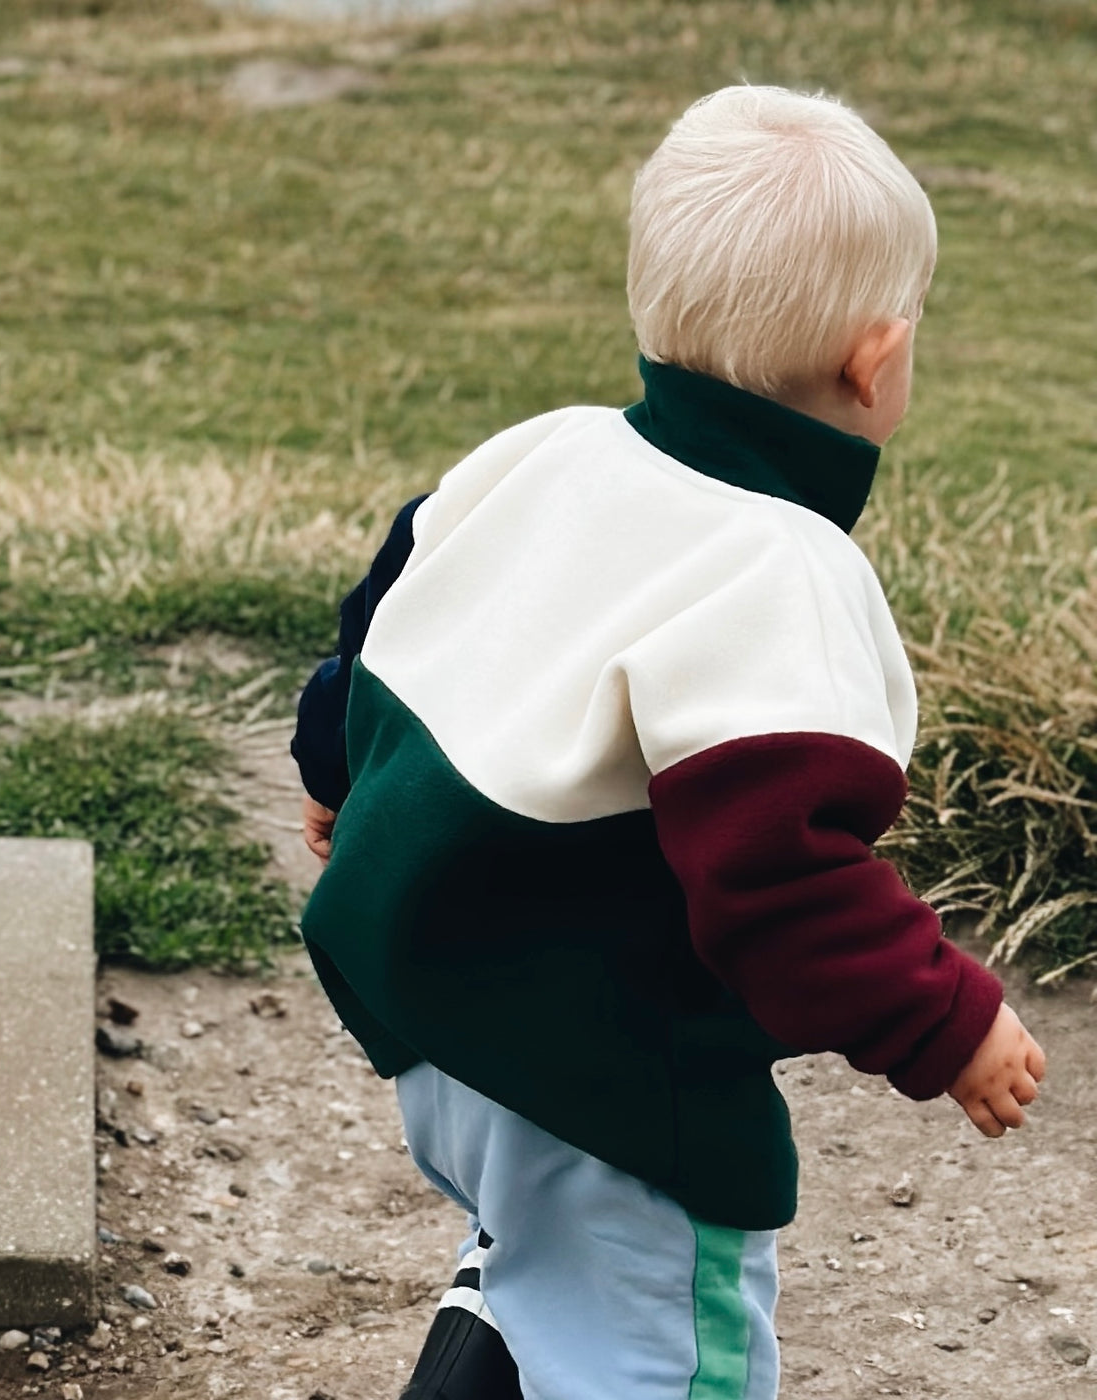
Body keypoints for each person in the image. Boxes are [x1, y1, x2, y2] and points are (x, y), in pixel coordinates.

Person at [289, 84, 1046, 1400]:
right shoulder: (778, 573)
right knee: (667, 1360)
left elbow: (388, 622)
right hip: (606, 1088)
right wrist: (948, 1021)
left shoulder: (547, 455)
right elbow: (779, 881)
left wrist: (333, 771)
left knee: (548, 1254)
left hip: (440, 1018)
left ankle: (510, 1320)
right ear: (876, 360)